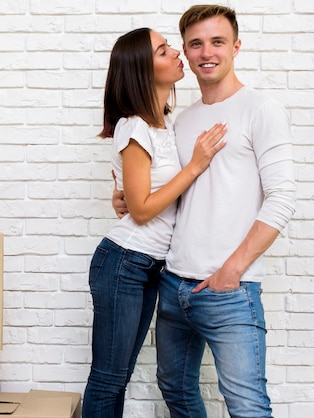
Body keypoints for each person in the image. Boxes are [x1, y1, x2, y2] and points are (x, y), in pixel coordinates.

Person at [111, 5, 296, 417]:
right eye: (195, 44)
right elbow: (171, 189)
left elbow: (283, 198)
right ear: (185, 51)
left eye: (217, 41)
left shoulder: (261, 109)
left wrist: (233, 270)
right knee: (175, 393)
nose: (206, 52)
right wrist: (127, 198)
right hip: (173, 284)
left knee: (246, 405)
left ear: (236, 46)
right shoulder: (181, 120)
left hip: (230, 290)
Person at [81, 27, 227, 418]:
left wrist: (124, 196)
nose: (178, 52)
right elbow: (142, 210)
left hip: (149, 266)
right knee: (109, 378)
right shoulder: (135, 126)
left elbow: (134, 196)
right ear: (143, 70)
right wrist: (196, 166)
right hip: (124, 264)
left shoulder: (164, 125)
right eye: (164, 50)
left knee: (121, 375)